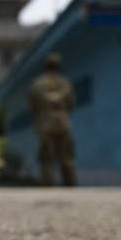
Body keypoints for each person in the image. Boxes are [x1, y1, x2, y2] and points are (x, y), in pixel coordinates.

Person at [27, 52, 76, 186]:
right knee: (66, 156)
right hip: (63, 123)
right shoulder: (65, 83)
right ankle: (70, 185)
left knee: (46, 157)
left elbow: (32, 105)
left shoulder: (37, 84)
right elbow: (71, 103)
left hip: (45, 124)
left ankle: (47, 185)